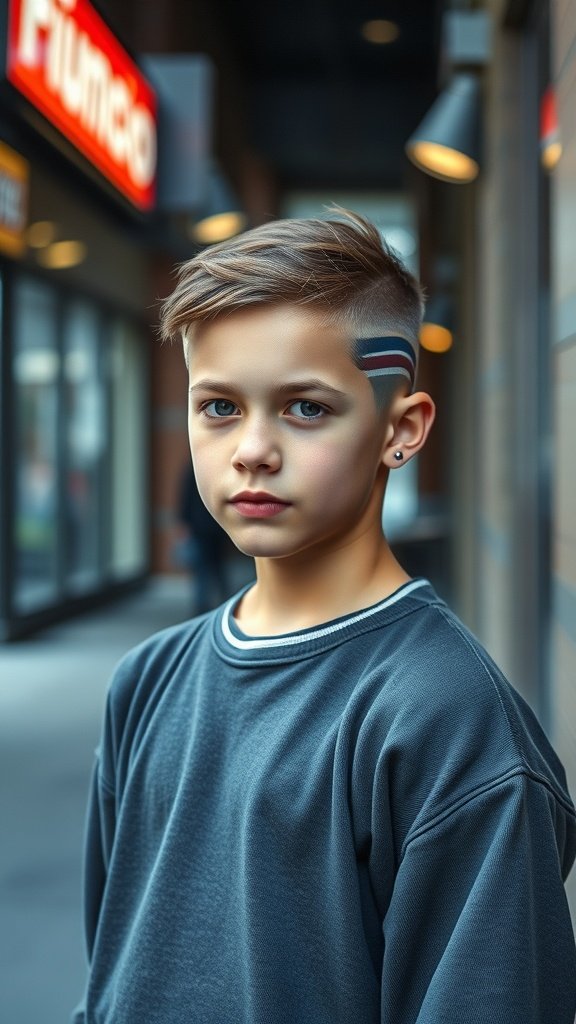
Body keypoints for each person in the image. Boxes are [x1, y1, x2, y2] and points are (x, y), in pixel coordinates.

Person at [72, 210, 576, 1024]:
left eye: (305, 408)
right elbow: (112, 973)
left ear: (399, 429)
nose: (252, 450)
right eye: (219, 407)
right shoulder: (148, 679)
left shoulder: (450, 724)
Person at [174, 460, 232, 614]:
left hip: (202, 526)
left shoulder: (194, 470)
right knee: (215, 567)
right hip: (213, 526)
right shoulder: (213, 470)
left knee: (205, 569)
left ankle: (203, 607)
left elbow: (185, 499)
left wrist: (184, 522)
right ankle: (223, 603)